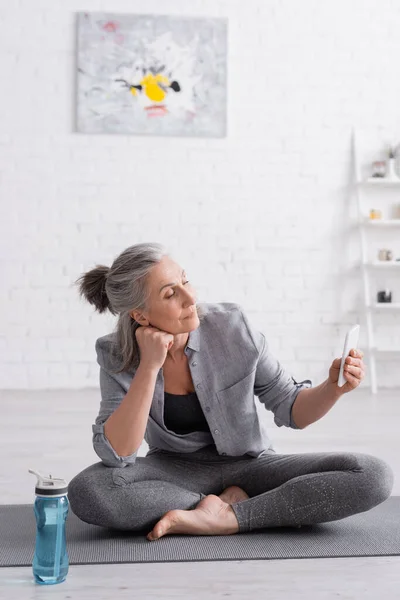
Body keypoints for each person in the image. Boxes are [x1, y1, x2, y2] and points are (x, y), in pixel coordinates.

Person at [68, 242, 394, 541]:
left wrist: (333, 389)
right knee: (87, 491)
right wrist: (150, 366)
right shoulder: (115, 352)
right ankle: (220, 506)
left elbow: (292, 407)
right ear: (140, 315)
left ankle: (230, 517)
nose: (190, 297)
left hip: (252, 465)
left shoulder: (232, 326)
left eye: (186, 281)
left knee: (372, 475)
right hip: (174, 472)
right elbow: (118, 454)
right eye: (170, 294)